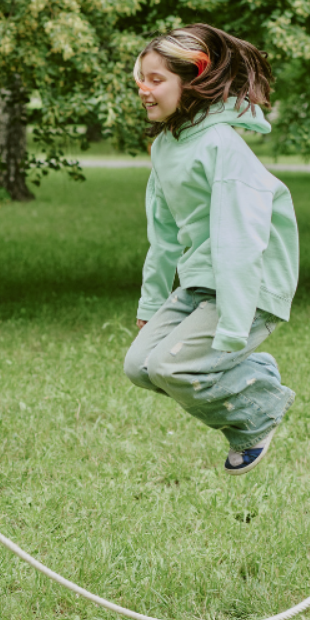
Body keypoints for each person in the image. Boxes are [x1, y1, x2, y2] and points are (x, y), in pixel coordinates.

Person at [123, 24, 299, 474]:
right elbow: (163, 232)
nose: (144, 90)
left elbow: (240, 238)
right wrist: (152, 302)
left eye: (156, 80)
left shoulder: (221, 146)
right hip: (203, 280)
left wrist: (236, 326)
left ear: (191, 81)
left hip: (249, 286)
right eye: (141, 79)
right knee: (140, 366)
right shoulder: (166, 147)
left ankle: (260, 410)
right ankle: (252, 369)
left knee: (172, 368)